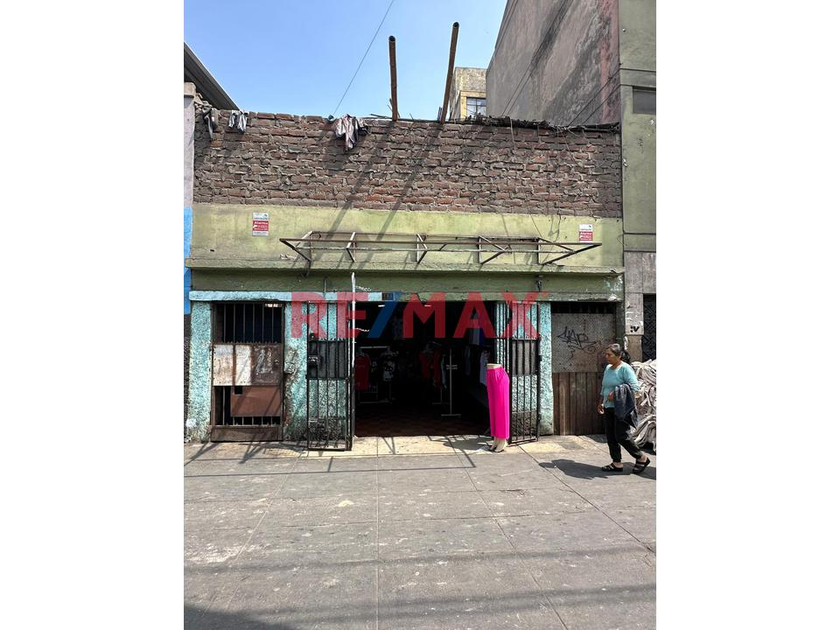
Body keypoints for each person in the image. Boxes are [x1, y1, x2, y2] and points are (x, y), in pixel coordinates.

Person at [598, 344, 651, 474]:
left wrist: (616, 393)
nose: (606, 357)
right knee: (611, 436)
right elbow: (604, 387)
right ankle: (617, 462)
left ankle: (641, 457)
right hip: (608, 407)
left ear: (619, 355)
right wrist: (601, 402)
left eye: (609, 355)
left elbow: (635, 388)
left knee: (622, 436)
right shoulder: (608, 368)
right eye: (606, 354)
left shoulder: (625, 369)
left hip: (621, 408)